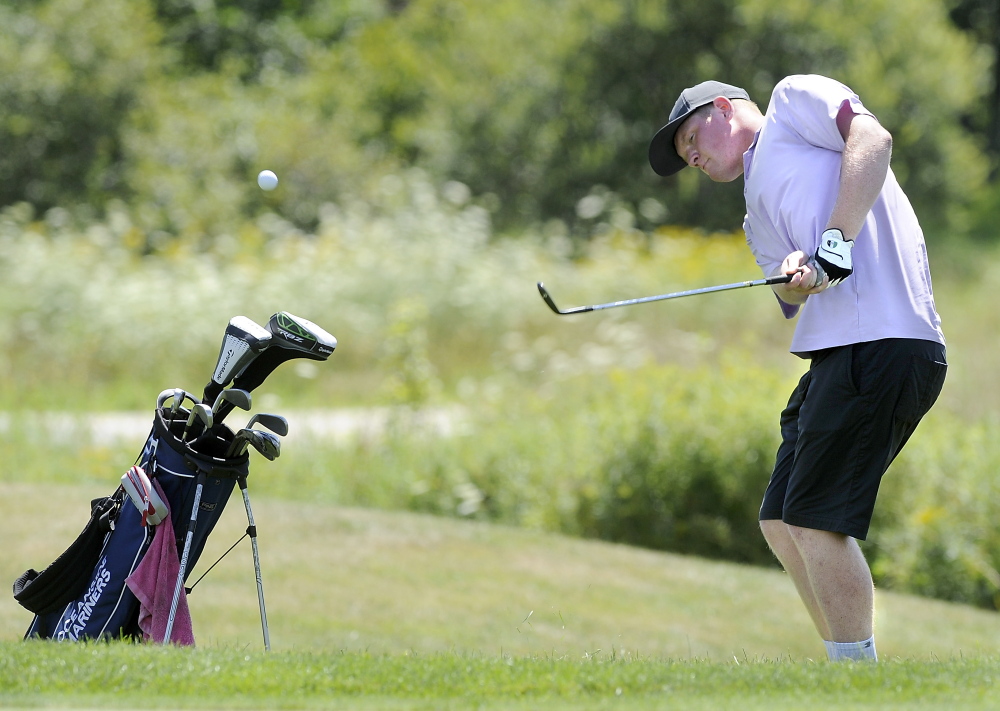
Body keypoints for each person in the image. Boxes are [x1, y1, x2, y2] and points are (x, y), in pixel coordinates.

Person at [648, 75, 947, 662]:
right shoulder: (753, 213)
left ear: (724, 109)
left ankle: (857, 682)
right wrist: (794, 273)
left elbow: (873, 140)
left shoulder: (791, 103)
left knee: (813, 520)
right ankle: (843, 664)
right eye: (687, 157)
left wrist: (833, 244)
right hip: (838, 350)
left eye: (691, 140)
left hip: (884, 336)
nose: (693, 158)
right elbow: (792, 297)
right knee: (782, 521)